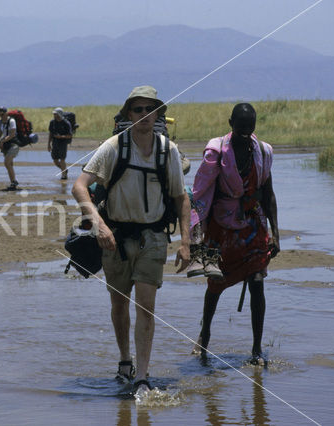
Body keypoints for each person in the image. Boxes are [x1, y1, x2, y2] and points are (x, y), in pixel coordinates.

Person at [71, 86, 191, 395]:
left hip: (152, 239)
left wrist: (186, 242)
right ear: (128, 115)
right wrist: (98, 224)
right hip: (115, 240)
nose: (145, 116)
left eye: (151, 110)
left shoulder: (168, 151)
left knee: (146, 306)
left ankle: (143, 376)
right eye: (138, 110)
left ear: (158, 115)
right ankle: (125, 361)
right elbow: (80, 186)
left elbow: (181, 198)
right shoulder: (113, 147)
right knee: (119, 303)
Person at [190, 103, 279, 365]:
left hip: (253, 227)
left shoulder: (262, 152)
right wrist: (197, 232)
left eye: (249, 130)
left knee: (258, 282)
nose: (244, 135)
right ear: (230, 124)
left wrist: (276, 234)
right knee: (215, 287)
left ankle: (256, 350)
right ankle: (204, 339)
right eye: (240, 130)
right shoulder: (216, 153)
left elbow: (268, 195)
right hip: (221, 229)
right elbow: (201, 192)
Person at [0, 107, 20, 191]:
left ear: (6, 113)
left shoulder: (11, 121)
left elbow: (12, 134)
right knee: (10, 164)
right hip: (6, 145)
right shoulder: (0, 122)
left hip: (13, 144)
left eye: (2, 114)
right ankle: (13, 182)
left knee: (6, 162)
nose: (1, 115)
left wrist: (2, 141)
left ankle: (14, 181)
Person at [48, 107, 72, 180]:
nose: (55, 116)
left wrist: (61, 137)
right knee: (55, 160)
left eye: (56, 114)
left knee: (62, 159)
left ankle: (64, 175)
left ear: (60, 114)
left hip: (63, 143)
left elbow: (70, 135)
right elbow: (50, 134)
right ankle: (64, 169)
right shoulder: (52, 122)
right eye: (54, 114)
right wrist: (48, 144)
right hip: (54, 143)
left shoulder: (66, 123)